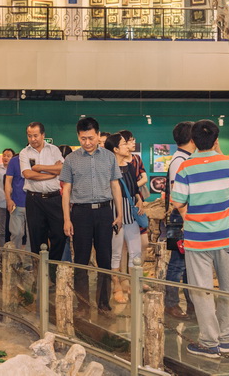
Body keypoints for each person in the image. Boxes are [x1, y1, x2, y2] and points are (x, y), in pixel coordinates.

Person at [171, 120, 229, 358]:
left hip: (197, 239)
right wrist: (218, 151)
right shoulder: (228, 162)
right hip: (226, 238)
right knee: (228, 288)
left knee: (201, 291)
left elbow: (177, 201)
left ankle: (209, 342)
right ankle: (228, 339)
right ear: (216, 139)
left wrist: (189, 216)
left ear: (193, 140)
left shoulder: (185, 167)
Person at [60, 118, 123, 312]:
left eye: (91, 138)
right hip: (81, 213)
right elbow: (66, 190)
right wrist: (67, 219)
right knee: (81, 259)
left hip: (104, 212)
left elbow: (115, 186)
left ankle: (103, 302)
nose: (87, 142)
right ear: (78, 137)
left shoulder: (109, 157)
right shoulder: (71, 159)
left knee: (105, 258)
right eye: (83, 138)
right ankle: (83, 303)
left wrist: (119, 214)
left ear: (98, 135)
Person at [105, 133, 143, 304]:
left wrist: (139, 200)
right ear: (115, 149)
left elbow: (134, 188)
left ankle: (133, 284)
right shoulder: (107, 168)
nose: (128, 146)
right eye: (123, 144)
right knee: (116, 251)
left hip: (131, 213)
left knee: (136, 250)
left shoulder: (130, 166)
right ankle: (116, 284)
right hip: (115, 212)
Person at [19, 122, 66, 260]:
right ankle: (39, 269)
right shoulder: (24, 153)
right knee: (37, 237)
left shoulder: (54, 150)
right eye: (29, 136)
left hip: (54, 199)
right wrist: (52, 174)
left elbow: (62, 169)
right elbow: (28, 174)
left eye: (35, 135)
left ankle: (52, 266)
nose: (33, 139)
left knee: (59, 235)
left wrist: (40, 168)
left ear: (43, 135)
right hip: (34, 200)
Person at [164, 121, 196, 320]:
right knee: (177, 263)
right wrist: (186, 219)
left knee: (189, 264)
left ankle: (192, 303)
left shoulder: (186, 158)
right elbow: (178, 196)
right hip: (181, 217)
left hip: (187, 216)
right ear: (192, 138)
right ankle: (171, 303)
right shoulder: (179, 160)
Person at [119, 130, 149, 264]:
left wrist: (131, 187)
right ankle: (123, 274)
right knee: (122, 247)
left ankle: (137, 272)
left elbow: (145, 178)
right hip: (122, 203)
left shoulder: (136, 159)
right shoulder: (115, 163)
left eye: (133, 140)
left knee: (143, 242)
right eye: (129, 141)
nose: (133, 143)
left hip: (136, 201)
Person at [5, 152, 29, 251]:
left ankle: (29, 258)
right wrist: (8, 199)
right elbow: (8, 181)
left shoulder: (40, 160)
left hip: (34, 204)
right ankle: (14, 256)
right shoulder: (14, 161)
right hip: (17, 202)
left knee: (32, 234)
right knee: (17, 233)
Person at [58, 145, 74, 262]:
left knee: (67, 237)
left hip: (70, 206)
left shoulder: (70, 168)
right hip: (61, 205)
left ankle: (65, 264)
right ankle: (65, 264)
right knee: (66, 237)